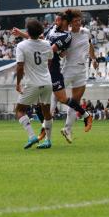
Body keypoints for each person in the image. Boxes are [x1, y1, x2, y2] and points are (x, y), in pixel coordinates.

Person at [12, 11, 91, 143]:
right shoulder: (53, 29)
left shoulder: (66, 36)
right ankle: (45, 135)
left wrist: (27, 46)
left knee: (60, 99)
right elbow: (36, 39)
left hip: (53, 69)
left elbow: (48, 49)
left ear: (65, 22)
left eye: (58, 20)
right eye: (56, 20)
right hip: (44, 69)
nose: (56, 22)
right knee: (42, 106)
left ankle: (85, 115)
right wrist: (22, 34)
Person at [55, 9, 96, 144]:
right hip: (68, 70)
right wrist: (62, 51)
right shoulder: (67, 35)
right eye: (75, 21)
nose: (78, 23)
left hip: (81, 70)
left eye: (79, 20)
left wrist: (94, 59)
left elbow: (89, 44)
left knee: (75, 102)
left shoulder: (86, 32)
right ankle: (45, 127)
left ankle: (67, 129)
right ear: (70, 23)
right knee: (55, 97)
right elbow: (61, 54)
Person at [14, 18, 54, 149]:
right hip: (47, 82)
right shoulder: (47, 44)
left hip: (32, 83)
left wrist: (18, 82)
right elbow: (50, 60)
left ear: (27, 31)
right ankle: (48, 141)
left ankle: (32, 136)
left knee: (20, 110)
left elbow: (20, 66)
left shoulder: (21, 46)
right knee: (46, 112)